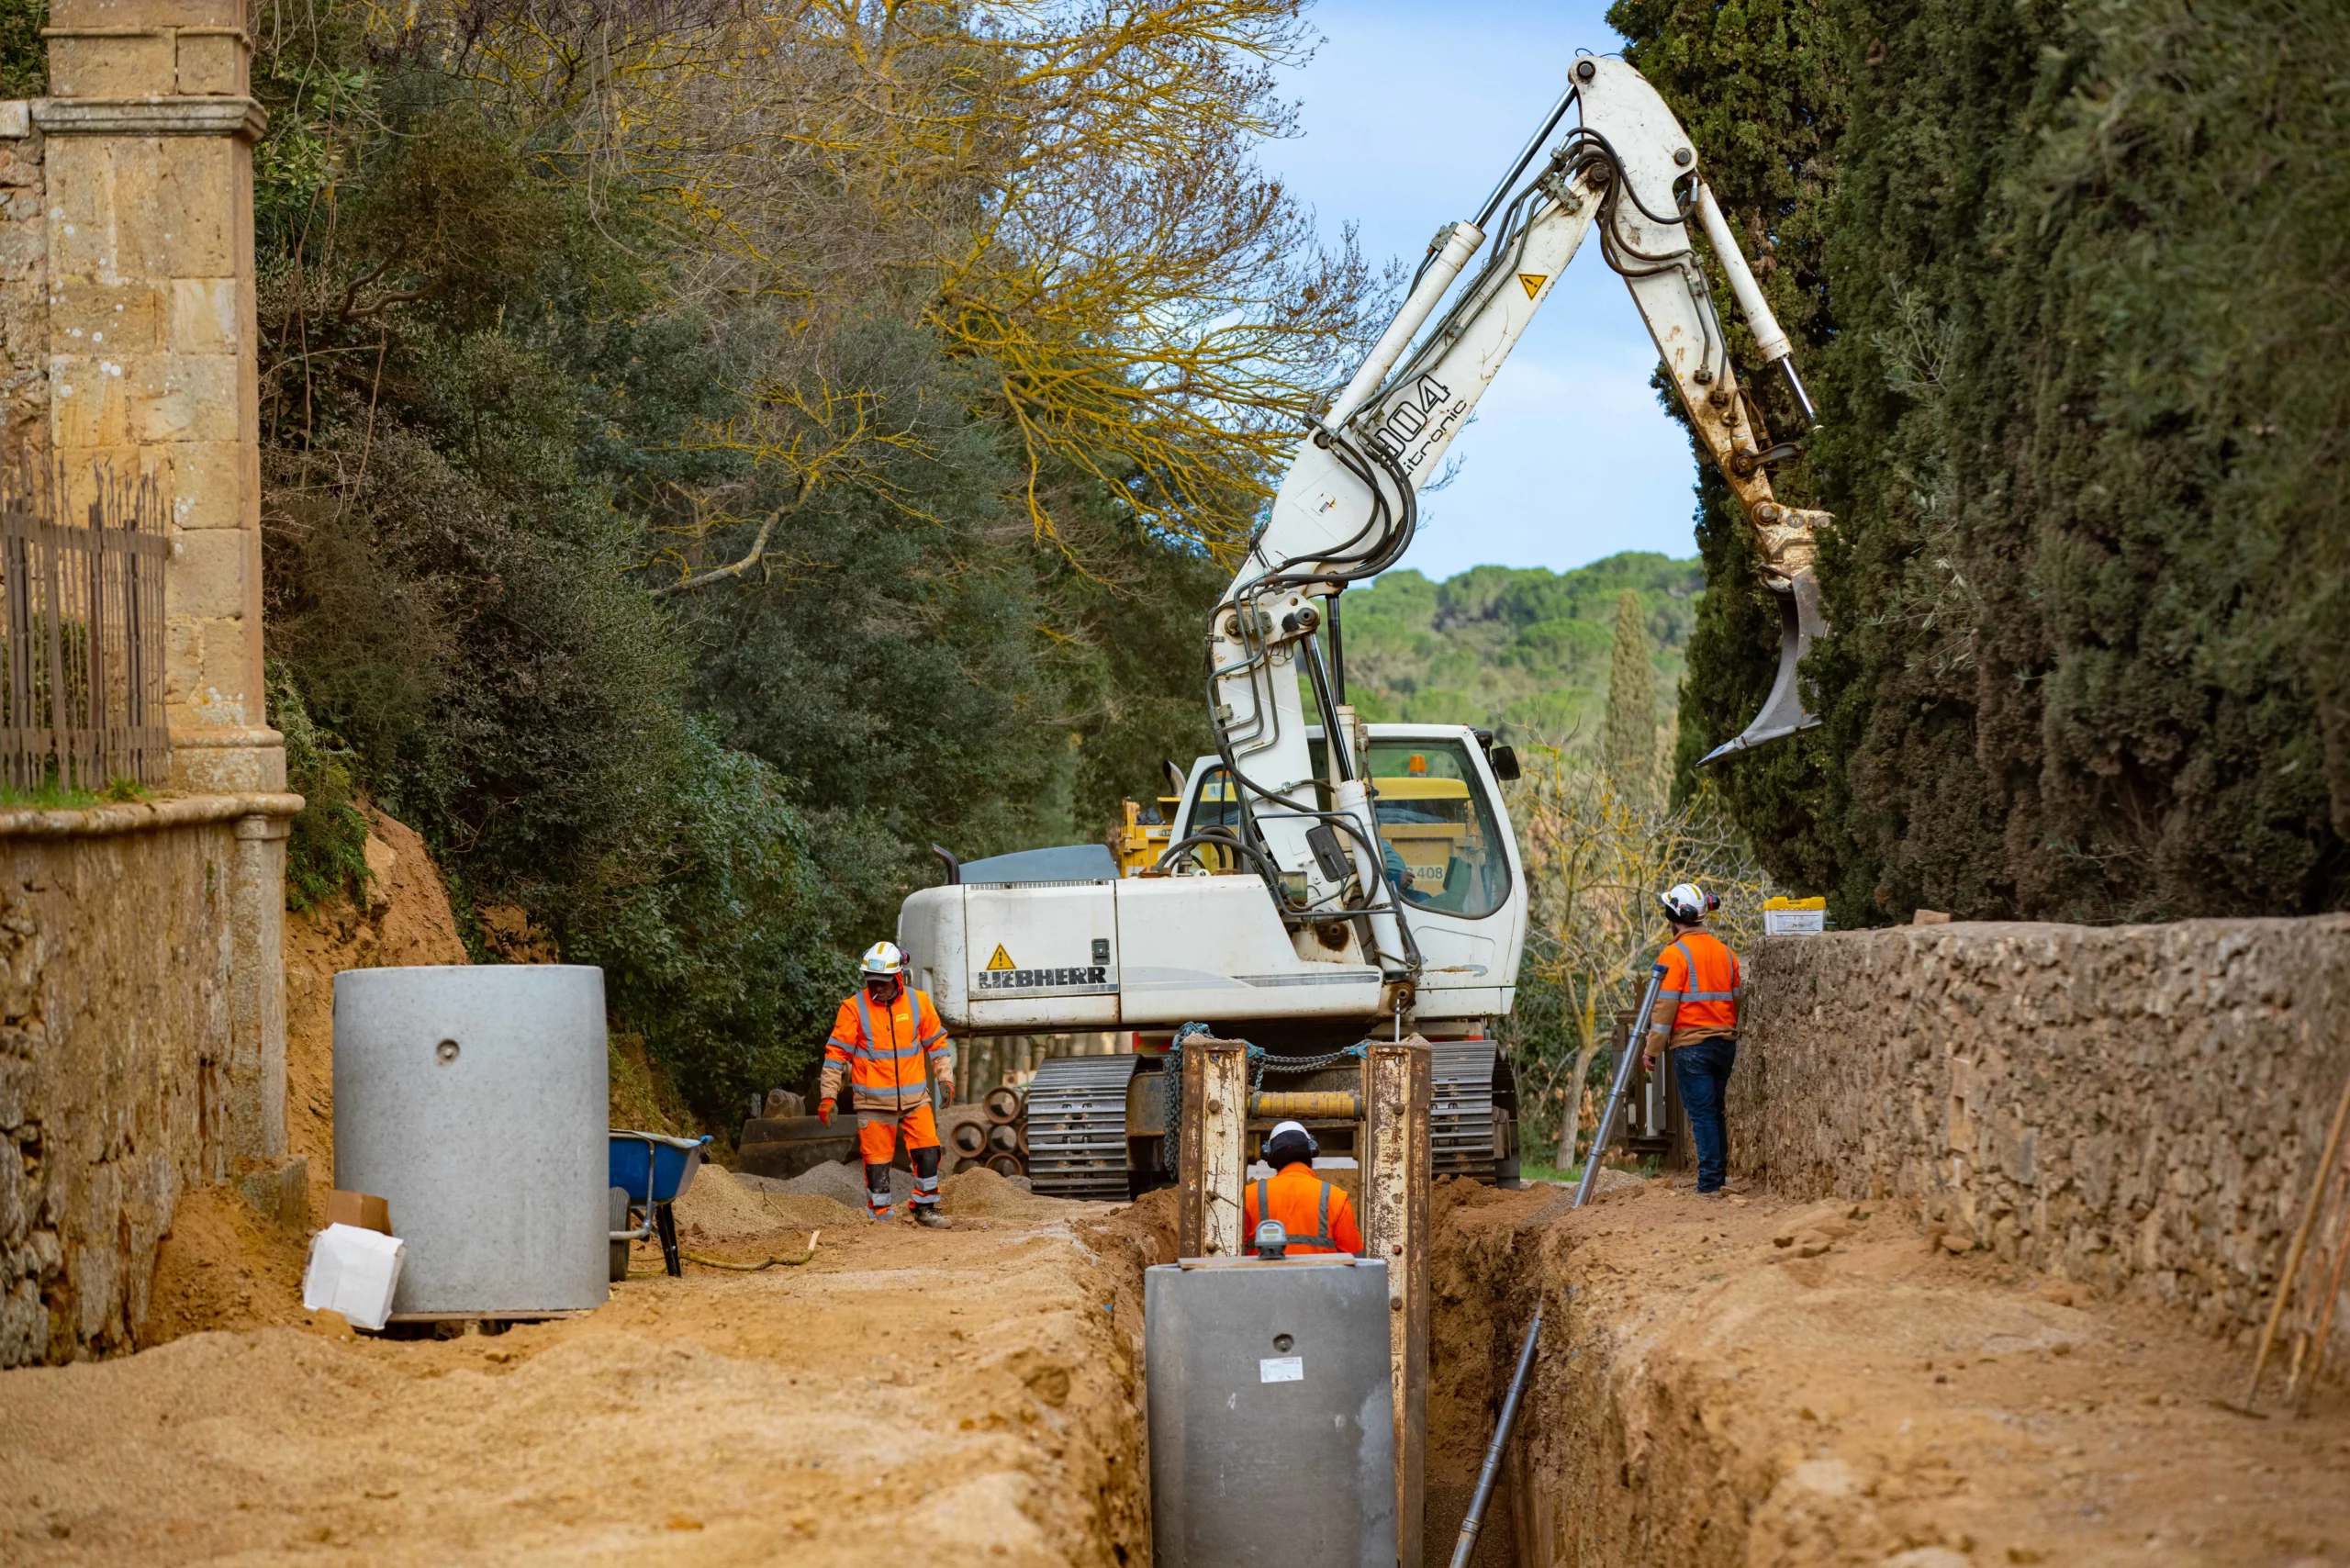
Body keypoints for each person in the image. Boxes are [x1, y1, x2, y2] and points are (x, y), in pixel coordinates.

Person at [820, 941, 955, 1227]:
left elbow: (937, 1045)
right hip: (873, 1103)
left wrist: (945, 1078)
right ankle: (880, 1218)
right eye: (871, 982)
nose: (875, 988)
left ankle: (926, 1208)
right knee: (877, 1163)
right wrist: (828, 1096)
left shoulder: (918, 1002)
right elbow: (836, 1055)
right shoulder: (853, 1008)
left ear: (897, 977)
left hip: (916, 1098)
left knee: (928, 1151)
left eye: (881, 982)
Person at [1640, 882, 1742, 1197]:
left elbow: (1664, 1008)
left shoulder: (1675, 954)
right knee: (1714, 1110)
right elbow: (1736, 999)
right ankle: (1719, 1178)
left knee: (1701, 1114)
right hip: (1724, 1043)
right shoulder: (1726, 953)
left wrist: (1652, 1050)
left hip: (1691, 1045)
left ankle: (1710, 1184)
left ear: (1673, 915)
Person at [1241, 1121, 1363, 1256]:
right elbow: (1357, 1259)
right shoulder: (1336, 1198)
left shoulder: (1248, 1196)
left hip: (1264, 1277)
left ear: (1269, 1156)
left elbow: (1232, 1253)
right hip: (1321, 1277)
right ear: (1312, 1152)